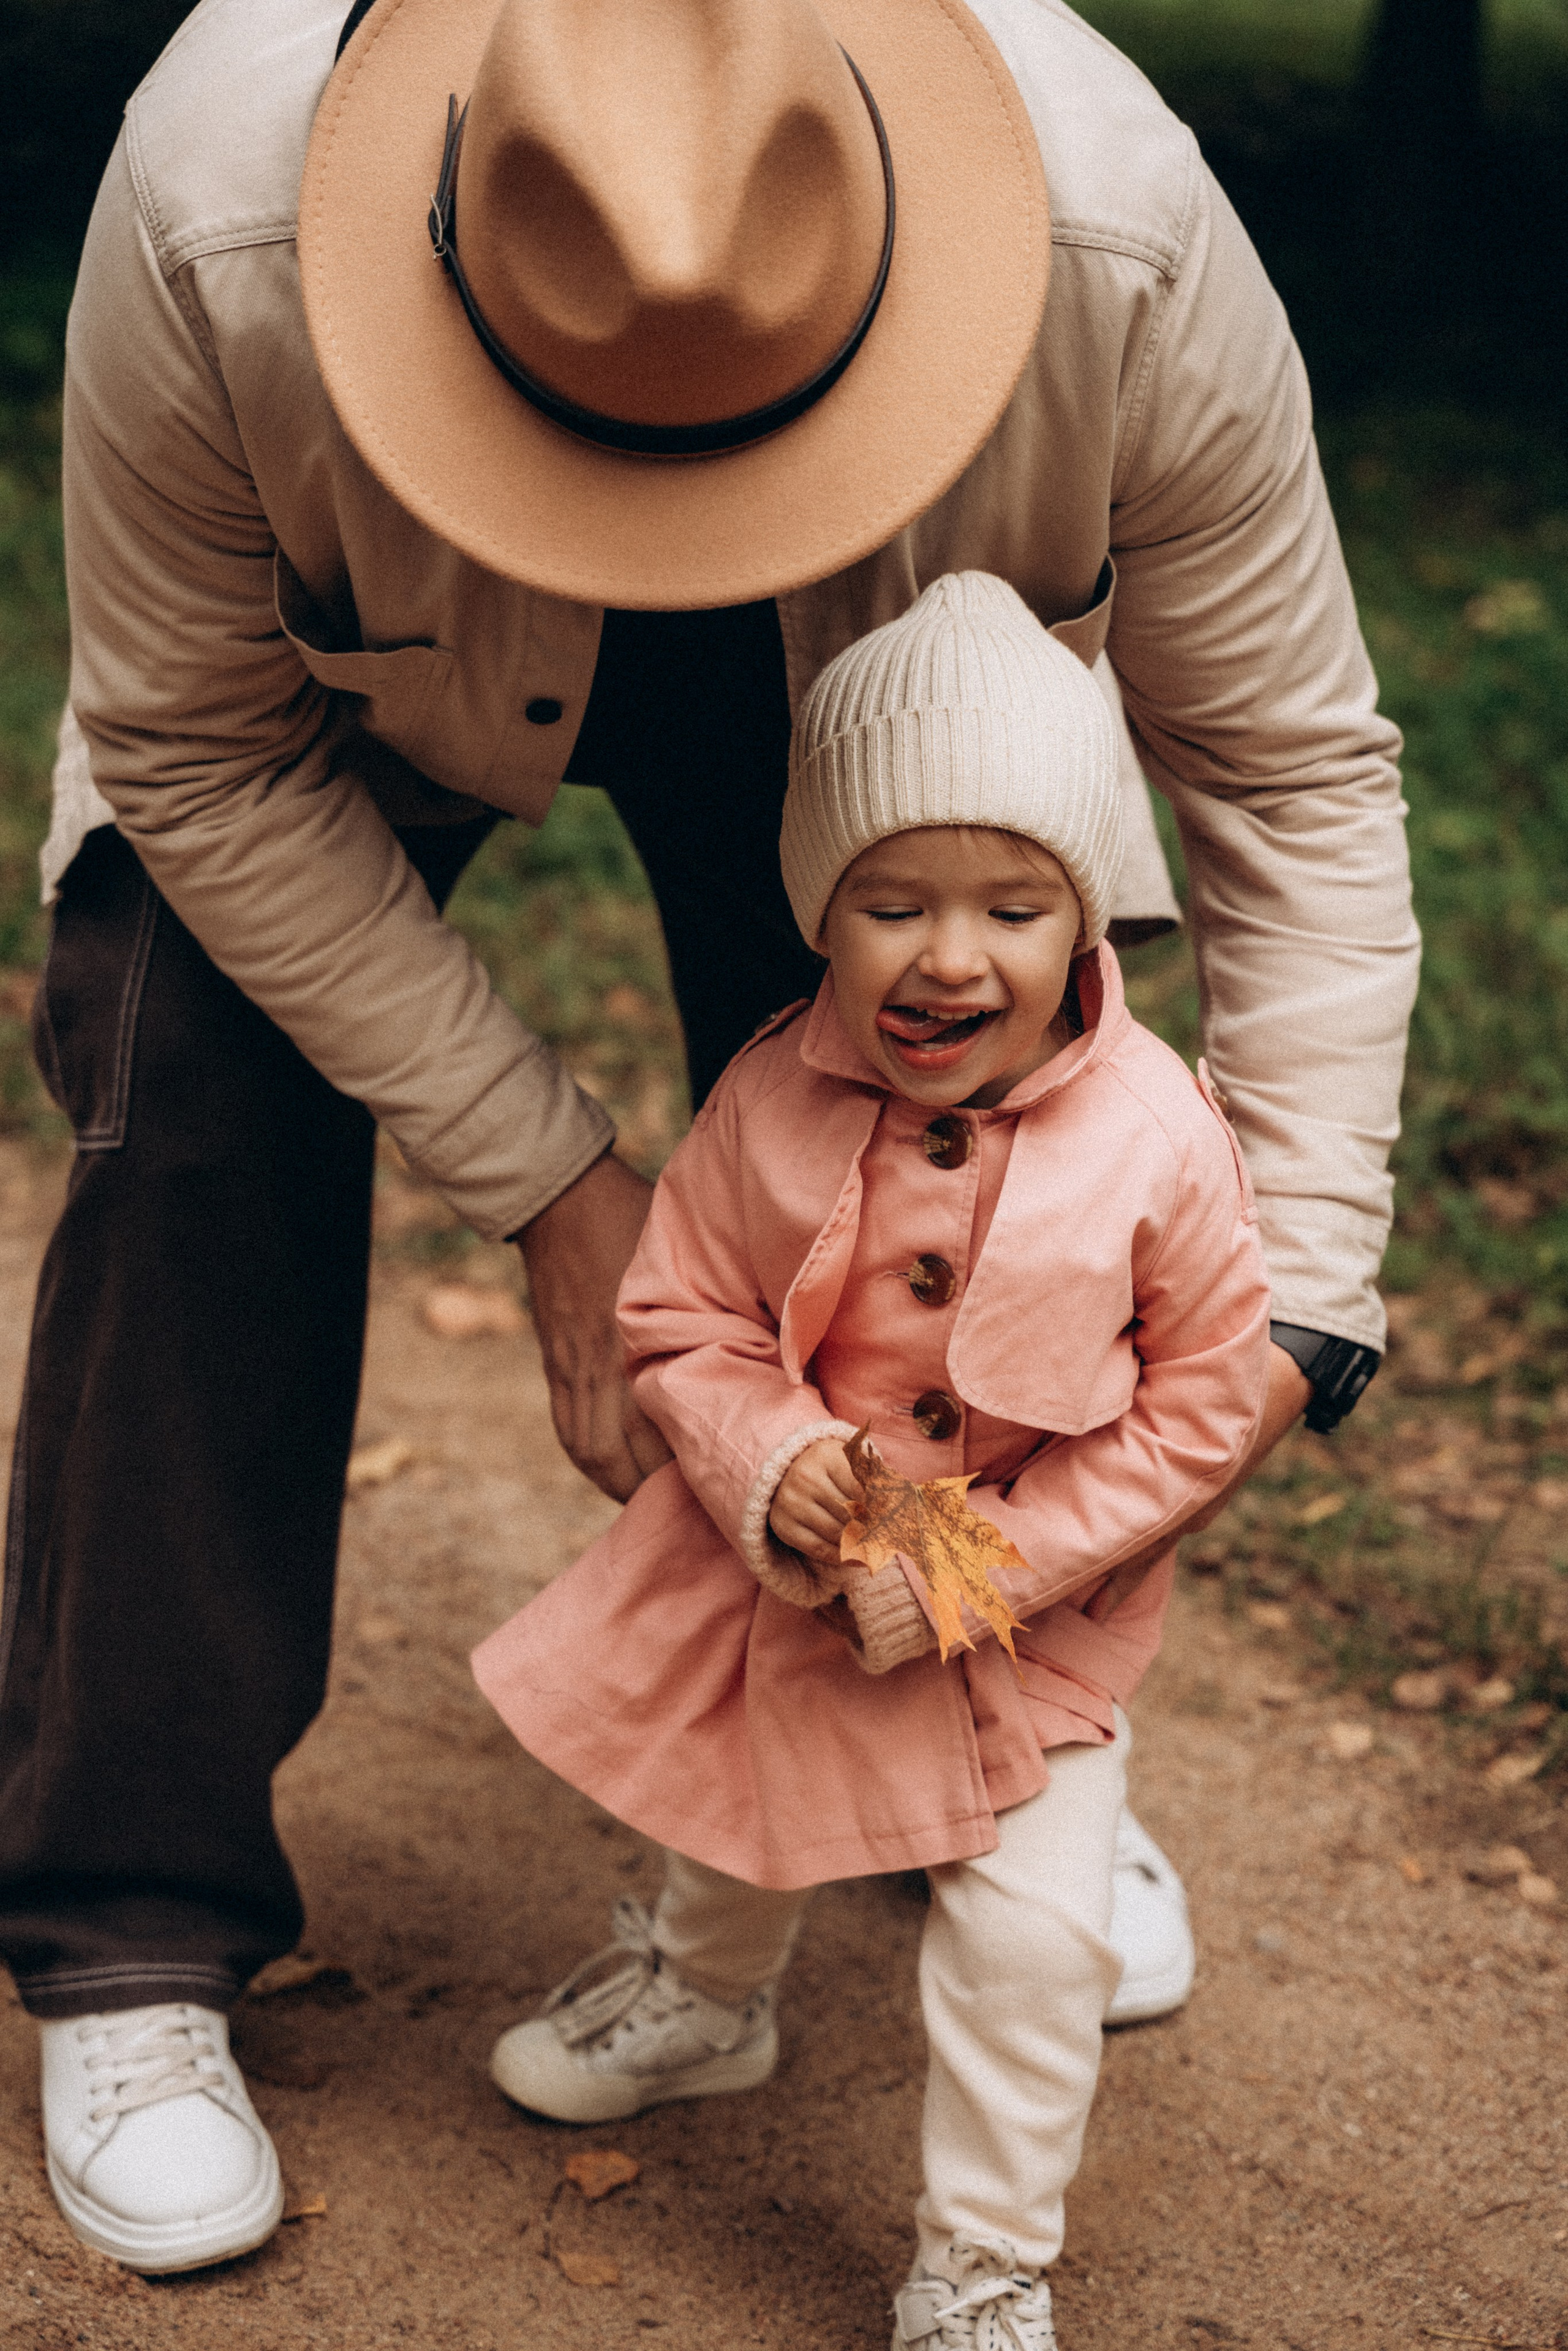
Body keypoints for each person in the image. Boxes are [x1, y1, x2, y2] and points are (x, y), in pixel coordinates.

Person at [3, 0, 1417, 2277]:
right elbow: (195, 756)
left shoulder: (1119, 230)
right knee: (190, 1134)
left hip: (882, 719)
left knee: (1000, 1127)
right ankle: (132, 1932)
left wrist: (1312, 1279)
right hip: (325, 722)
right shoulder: (214, 210)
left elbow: (1290, 771)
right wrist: (568, 1197)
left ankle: (990, 1750)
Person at [472, 573, 1273, 2349]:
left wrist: (993, 1567)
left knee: (1030, 1945)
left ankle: (985, 2262)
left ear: (1087, 922)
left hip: (1033, 1624)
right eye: (890, 901)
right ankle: (705, 1997)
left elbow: (1211, 1404)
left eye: (1013, 904)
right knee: (736, 1799)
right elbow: (684, 1314)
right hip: (799, 1572)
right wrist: (769, 1460)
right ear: (817, 912)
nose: (950, 954)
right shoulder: (771, 1095)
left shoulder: (1161, 1140)